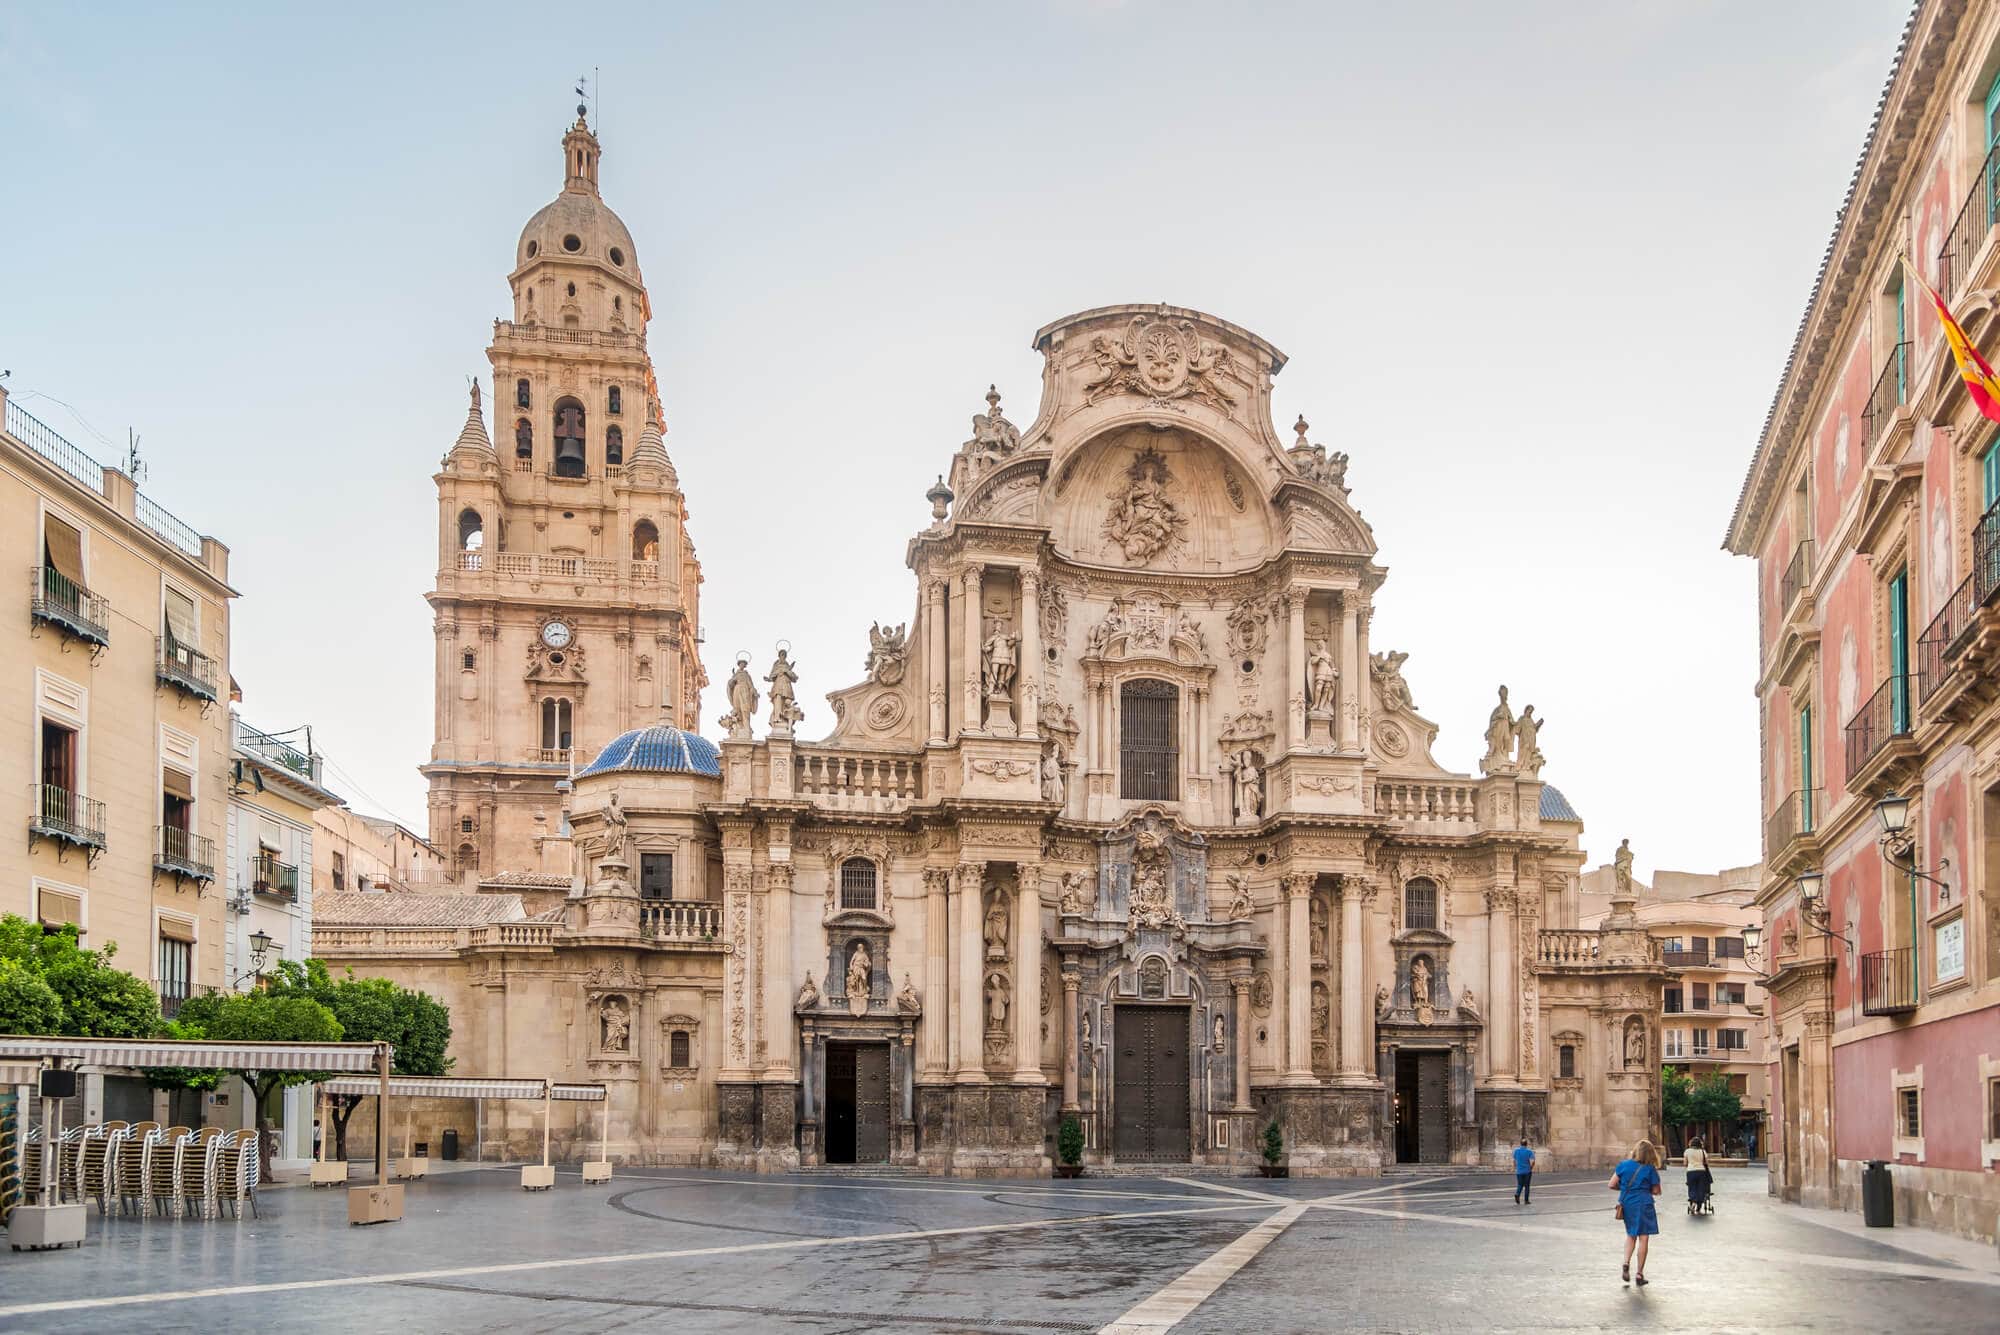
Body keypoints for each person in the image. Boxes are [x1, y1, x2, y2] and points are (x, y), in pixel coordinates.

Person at [1610, 1139, 1664, 1285]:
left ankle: (1626, 1262)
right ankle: (1639, 1274)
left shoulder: (1623, 1165)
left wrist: (1625, 1189)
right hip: (1644, 1204)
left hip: (1627, 1203)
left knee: (1631, 1235)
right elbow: (1656, 1190)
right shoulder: (1649, 1169)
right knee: (1644, 1238)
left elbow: (1611, 1184)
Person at [1684, 1136, 1712, 1214]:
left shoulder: (1687, 1151)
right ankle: (1699, 1205)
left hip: (1691, 1171)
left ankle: (1693, 1201)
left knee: (1692, 1187)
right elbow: (1706, 1162)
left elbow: (1685, 1163)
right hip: (1701, 1171)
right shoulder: (1703, 1151)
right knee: (1701, 1188)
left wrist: (1690, 1165)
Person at [1513, 1138, 1536, 1204]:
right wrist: (1531, 1168)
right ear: (1526, 1144)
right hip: (1527, 1171)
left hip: (1519, 1171)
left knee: (1520, 1184)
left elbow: (1514, 1160)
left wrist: (1515, 1168)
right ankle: (1526, 1200)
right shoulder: (1529, 1151)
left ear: (1520, 1144)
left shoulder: (1516, 1151)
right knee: (1527, 1186)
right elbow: (1533, 1161)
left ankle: (1517, 1194)